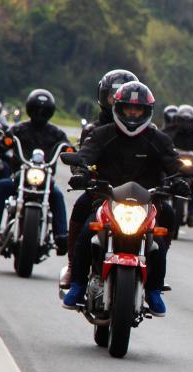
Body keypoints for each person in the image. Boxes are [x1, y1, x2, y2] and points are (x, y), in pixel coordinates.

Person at [62, 81, 182, 316]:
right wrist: (81, 172)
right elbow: (86, 155)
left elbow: (173, 164)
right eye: (128, 109)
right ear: (118, 108)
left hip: (147, 202)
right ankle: (77, 284)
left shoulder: (158, 139)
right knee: (88, 232)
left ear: (147, 112)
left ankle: (154, 289)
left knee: (160, 235)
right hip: (106, 198)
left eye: (137, 110)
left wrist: (180, 180)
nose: (133, 114)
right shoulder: (102, 134)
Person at [61, 68, 139, 289]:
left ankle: (153, 276)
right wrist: (81, 174)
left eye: (122, 96)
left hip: (138, 196)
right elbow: (82, 157)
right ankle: (73, 269)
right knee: (81, 210)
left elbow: (160, 161)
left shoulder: (147, 131)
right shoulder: (94, 130)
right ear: (104, 97)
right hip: (102, 192)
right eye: (112, 96)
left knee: (167, 216)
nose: (117, 100)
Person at [0, 89, 70, 253]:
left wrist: (71, 151)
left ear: (50, 112)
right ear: (30, 109)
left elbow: (67, 146)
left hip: (45, 179)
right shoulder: (19, 129)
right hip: (20, 177)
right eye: (36, 109)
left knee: (57, 195)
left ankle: (61, 236)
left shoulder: (56, 133)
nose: (40, 113)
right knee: (0, 186)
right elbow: (2, 142)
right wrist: (3, 142)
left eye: (44, 110)